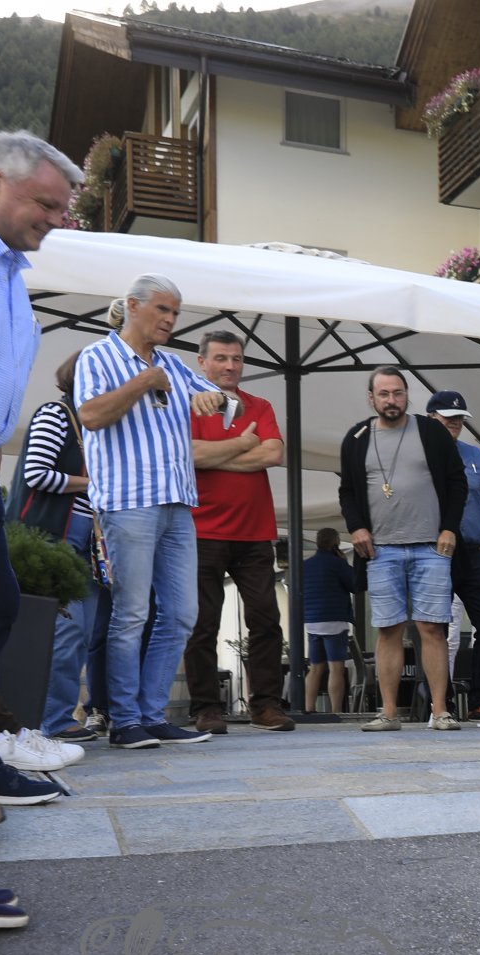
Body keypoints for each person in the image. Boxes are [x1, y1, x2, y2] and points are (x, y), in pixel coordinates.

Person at [77, 274, 228, 749]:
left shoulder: (174, 363)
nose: (170, 320)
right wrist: (144, 381)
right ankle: (124, 721)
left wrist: (216, 398)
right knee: (131, 614)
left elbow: (229, 404)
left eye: (175, 313)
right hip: (128, 503)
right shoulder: (97, 357)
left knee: (182, 613)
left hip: (177, 502)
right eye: (162, 309)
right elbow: (90, 415)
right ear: (132, 306)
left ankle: (151, 714)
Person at [0, 130, 79, 812]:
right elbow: (44, 471)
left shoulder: (13, 280)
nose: (57, 219)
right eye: (46, 203)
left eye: (62, 209)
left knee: (2, 605)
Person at [338, 367, 466, 733]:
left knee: (432, 628)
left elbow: (457, 482)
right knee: (388, 629)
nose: (391, 400)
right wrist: (356, 527)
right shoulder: (357, 437)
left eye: (397, 393)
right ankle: (389, 712)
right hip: (380, 550)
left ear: (407, 395)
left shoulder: (431, 432)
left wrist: (449, 528)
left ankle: (440, 711)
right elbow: (348, 491)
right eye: (384, 394)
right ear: (371, 398)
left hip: (431, 546)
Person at [183, 330, 293, 734]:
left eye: (236, 358)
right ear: (202, 362)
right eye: (221, 358)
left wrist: (216, 455)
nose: (230, 366)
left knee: (266, 622)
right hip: (201, 530)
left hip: (255, 532)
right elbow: (188, 454)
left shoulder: (259, 405)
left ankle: (265, 705)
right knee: (202, 625)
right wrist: (244, 444)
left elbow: (274, 453)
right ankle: (206, 708)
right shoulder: (188, 405)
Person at [9, 352, 109, 744]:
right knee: (68, 631)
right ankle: (53, 719)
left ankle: (57, 716)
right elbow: (36, 474)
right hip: (54, 539)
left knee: (78, 632)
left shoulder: (89, 424)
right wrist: (93, 483)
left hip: (81, 542)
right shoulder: (56, 414)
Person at [427, 390, 480, 727]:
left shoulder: (475, 455)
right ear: (431, 417)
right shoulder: (420, 454)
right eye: (448, 416)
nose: (455, 422)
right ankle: (440, 703)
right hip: (436, 553)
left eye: (460, 418)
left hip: (476, 553)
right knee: (437, 631)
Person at [302, 527, 356, 714]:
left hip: (311, 621)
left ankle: (308, 708)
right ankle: (336, 710)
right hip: (334, 620)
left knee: (315, 668)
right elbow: (354, 585)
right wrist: (344, 562)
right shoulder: (337, 563)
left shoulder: (305, 565)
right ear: (335, 543)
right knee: (336, 668)